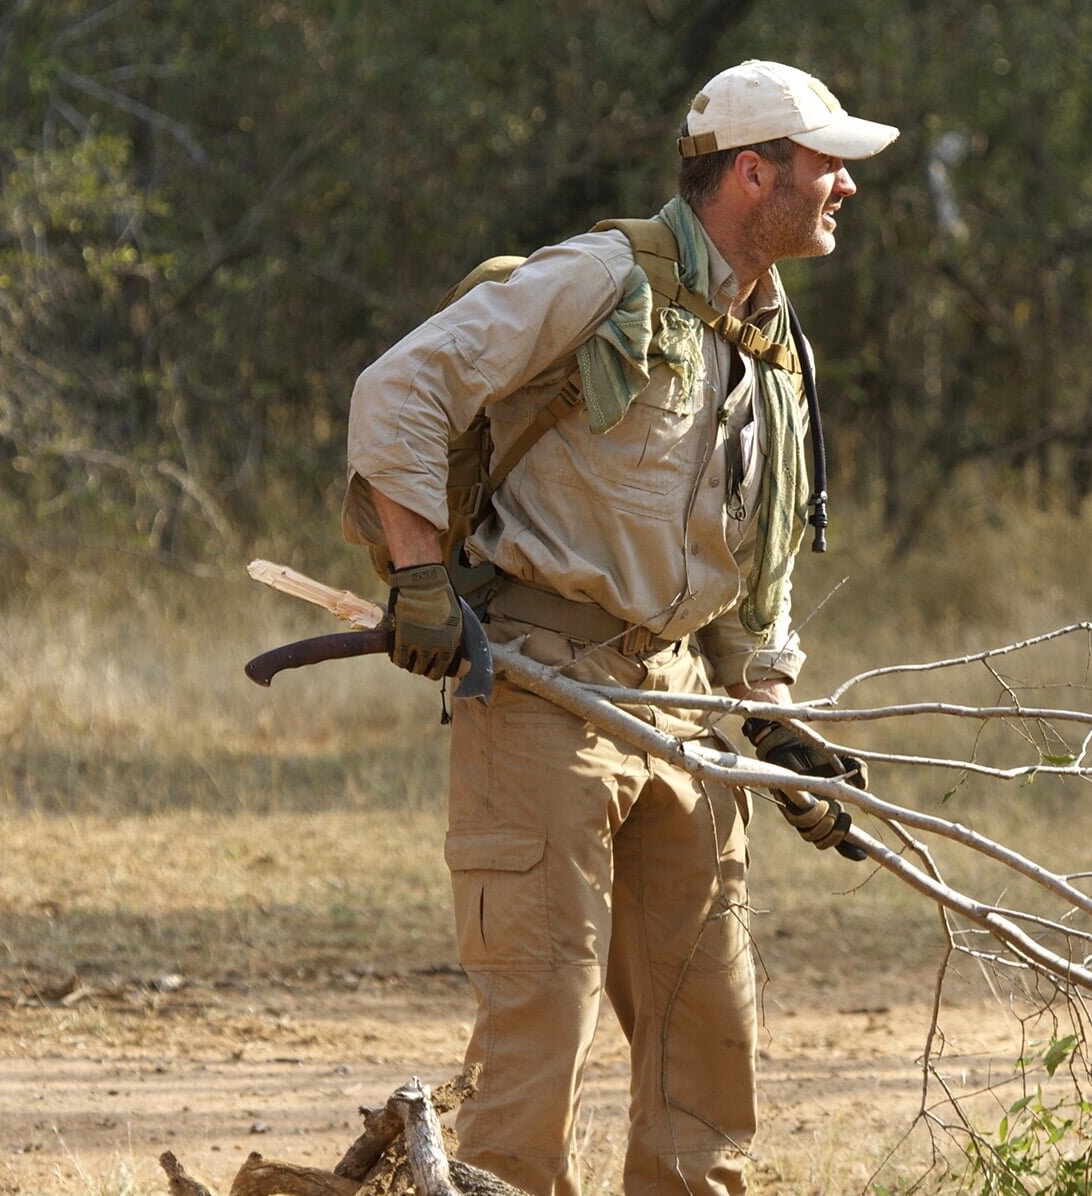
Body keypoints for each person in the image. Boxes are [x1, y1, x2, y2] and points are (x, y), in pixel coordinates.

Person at [340, 60, 896, 1196]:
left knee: (708, 1031)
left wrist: (772, 715)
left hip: (681, 702)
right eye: (823, 163)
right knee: (540, 1026)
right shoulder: (597, 277)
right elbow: (398, 391)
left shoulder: (772, 338)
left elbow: (755, 551)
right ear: (752, 173)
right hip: (542, 686)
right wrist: (417, 580)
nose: (843, 185)